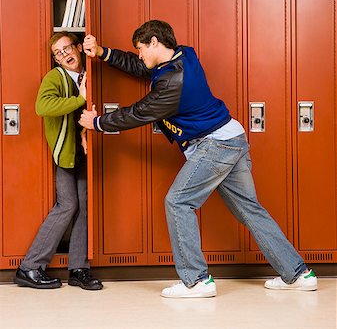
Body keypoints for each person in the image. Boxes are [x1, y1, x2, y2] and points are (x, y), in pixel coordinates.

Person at [80, 20, 317, 298]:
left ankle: (196, 280)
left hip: (214, 145)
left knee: (178, 201)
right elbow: (141, 66)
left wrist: (97, 122)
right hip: (233, 138)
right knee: (250, 210)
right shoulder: (185, 54)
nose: (140, 54)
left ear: (155, 42)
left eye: (141, 48)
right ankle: (299, 274)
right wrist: (102, 52)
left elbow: (139, 112)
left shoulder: (172, 83)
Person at [14, 31, 103, 291]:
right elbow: (43, 107)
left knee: (84, 208)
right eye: (58, 53)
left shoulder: (90, 74)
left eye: (67, 49)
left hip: (87, 151)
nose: (65, 55)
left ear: (77, 48)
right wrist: (80, 98)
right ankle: (29, 267)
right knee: (67, 206)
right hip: (66, 154)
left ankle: (78, 270)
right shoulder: (55, 78)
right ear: (56, 60)